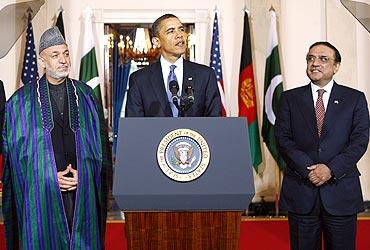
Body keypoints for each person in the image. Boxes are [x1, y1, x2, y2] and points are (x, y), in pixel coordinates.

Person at [2, 26, 111, 249]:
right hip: (41, 197)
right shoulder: (20, 102)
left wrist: (85, 174)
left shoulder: (87, 95)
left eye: (66, 53)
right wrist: (49, 176)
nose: (63, 60)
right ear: (41, 61)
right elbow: (15, 157)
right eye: (55, 55)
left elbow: (100, 149)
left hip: (82, 190)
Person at [275, 41, 369, 250]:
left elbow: (360, 140)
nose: (315, 63)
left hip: (341, 191)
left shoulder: (355, 99)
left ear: (336, 66)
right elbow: (282, 138)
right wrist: (308, 169)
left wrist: (330, 169)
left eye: (323, 59)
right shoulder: (289, 98)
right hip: (301, 190)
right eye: (310, 58)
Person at [125, 13, 221, 117]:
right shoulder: (139, 79)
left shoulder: (205, 75)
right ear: (156, 41)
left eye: (181, 29)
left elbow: (215, 120)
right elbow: (134, 126)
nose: (179, 35)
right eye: (171, 31)